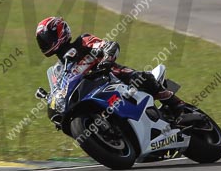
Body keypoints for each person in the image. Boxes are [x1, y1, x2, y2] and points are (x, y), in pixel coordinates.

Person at [35, 16, 186, 112]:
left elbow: (108, 45)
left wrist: (106, 59)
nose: (45, 43)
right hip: (90, 97)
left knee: (141, 78)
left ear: (59, 33)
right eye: (42, 41)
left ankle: (177, 105)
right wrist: (51, 100)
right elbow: (59, 91)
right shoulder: (57, 70)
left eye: (47, 38)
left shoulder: (83, 42)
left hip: (112, 78)